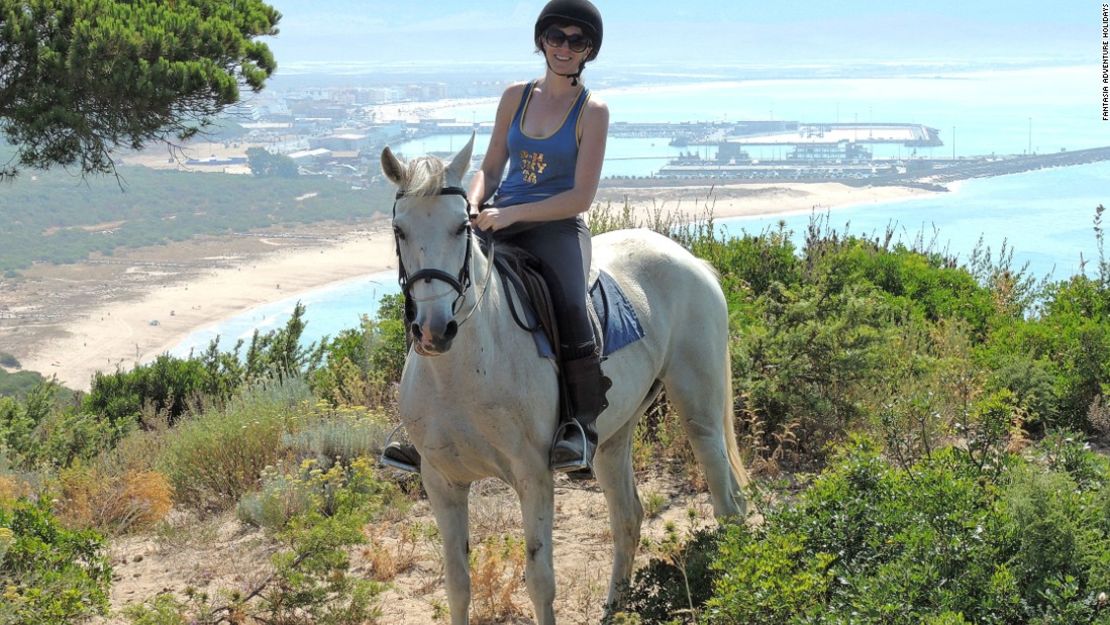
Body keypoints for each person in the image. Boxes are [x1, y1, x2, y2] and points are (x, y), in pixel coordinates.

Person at [383, 0, 610, 477]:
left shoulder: (593, 111)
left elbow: (581, 197)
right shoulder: (516, 96)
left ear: (589, 50)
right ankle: (416, 426)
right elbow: (489, 168)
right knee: (437, 287)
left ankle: (577, 426)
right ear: (541, 41)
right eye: (555, 37)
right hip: (497, 217)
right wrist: (473, 203)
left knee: (571, 306)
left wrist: (512, 214)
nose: (563, 48)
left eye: (576, 40)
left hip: (557, 227)